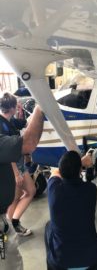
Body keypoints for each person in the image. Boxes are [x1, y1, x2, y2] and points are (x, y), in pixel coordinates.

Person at [0, 104, 44, 270]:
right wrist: (40, 108)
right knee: (8, 262)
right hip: (15, 168)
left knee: (22, 194)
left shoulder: (9, 122)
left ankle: (13, 222)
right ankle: (13, 222)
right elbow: (29, 143)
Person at [45, 151, 97, 270]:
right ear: (79, 171)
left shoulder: (53, 188)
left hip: (60, 263)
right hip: (91, 261)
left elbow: (55, 172)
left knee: (48, 227)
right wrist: (87, 163)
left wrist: (80, 162)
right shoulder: (91, 190)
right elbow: (90, 179)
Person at [0, 92, 35, 236]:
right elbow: (7, 151)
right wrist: (16, 174)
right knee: (30, 191)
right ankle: (14, 223)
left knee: (18, 195)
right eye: (17, 105)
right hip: (12, 165)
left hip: (18, 162)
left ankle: (9, 220)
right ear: (13, 107)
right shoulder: (1, 125)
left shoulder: (11, 120)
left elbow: (27, 123)